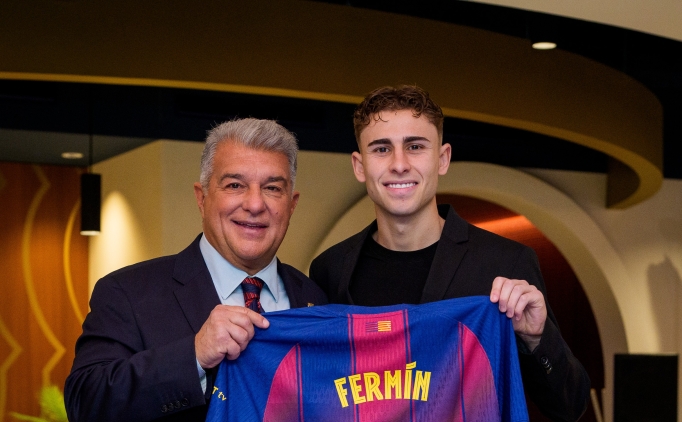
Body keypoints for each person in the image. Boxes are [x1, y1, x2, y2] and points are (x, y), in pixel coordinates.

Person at [309, 85, 590, 421]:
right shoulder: (330, 270)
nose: (399, 164)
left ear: (442, 159)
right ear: (359, 165)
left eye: (415, 147)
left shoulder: (506, 262)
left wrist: (536, 337)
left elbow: (569, 407)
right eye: (382, 149)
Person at [65, 118, 327, 422]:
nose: (255, 204)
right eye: (235, 185)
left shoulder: (316, 297)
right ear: (202, 198)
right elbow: (85, 403)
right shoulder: (127, 292)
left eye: (272, 188)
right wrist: (194, 355)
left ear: (291, 205)